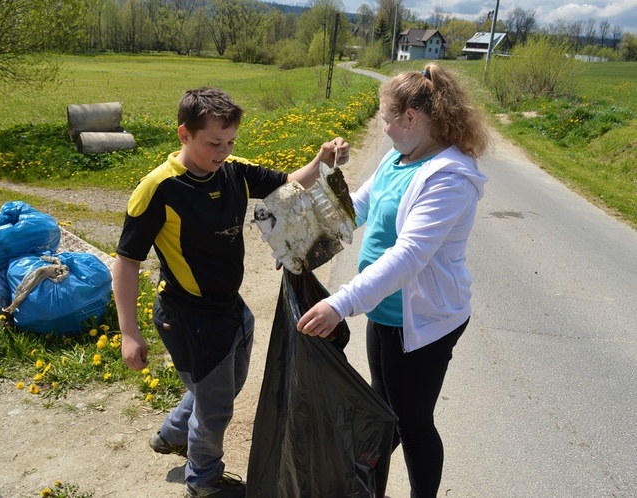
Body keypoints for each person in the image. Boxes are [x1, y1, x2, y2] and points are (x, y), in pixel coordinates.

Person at [113, 87, 349, 498]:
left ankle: (172, 434)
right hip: (187, 314)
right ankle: (203, 481)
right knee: (216, 404)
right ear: (184, 134)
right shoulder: (158, 189)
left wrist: (321, 160)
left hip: (229, 307)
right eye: (213, 143)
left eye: (230, 142)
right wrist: (128, 332)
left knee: (224, 386)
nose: (222, 151)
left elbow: (289, 183)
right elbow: (127, 262)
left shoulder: (233, 171)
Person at [297, 63, 490, 498]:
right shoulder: (400, 156)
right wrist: (304, 243)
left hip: (422, 322)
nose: (383, 129)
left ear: (411, 118)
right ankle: (370, 489)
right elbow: (357, 208)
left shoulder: (449, 178)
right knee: (383, 413)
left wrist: (340, 303)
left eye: (386, 119)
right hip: (385, 311)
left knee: (412, 423)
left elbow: (408, 257)